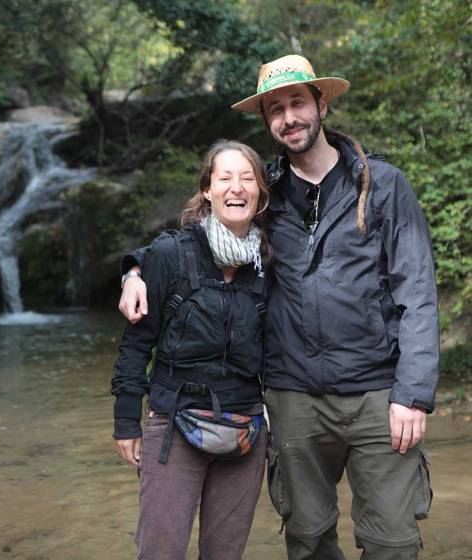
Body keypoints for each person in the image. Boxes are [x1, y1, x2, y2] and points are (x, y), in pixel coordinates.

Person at [118, 54, 438, 559]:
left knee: (393, 542)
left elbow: (416, 288)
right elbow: (197, 235)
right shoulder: (264, 194)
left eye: (297, 103)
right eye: (275, 109)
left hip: (379, 392)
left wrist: (414, 395)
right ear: (267, 121)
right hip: (292, 397)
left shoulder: (381, 184)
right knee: (308, 539)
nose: (289, 118)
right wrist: (134, 269)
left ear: (321, 104)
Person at [112, 139, 272, 560]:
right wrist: (126, 421)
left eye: (247, 178)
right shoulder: (171, 254)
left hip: (246, 428)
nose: (236, 187)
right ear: (207, 189)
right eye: (225, 178)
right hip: (173, 422)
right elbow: (136, 344)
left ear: (260, 193)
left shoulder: (269, 262)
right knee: (160, 552)